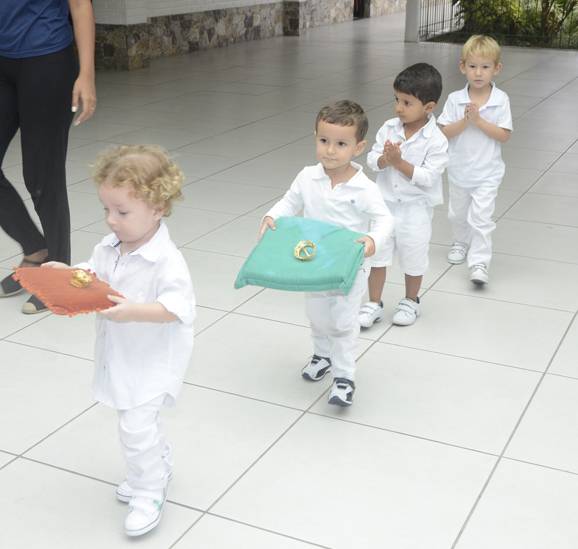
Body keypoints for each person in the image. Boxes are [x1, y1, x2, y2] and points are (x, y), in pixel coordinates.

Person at [44, 145, 195, 537]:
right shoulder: (108, 246)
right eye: (106, 209)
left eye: (122, 212)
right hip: (123, 356)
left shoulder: (167, 261)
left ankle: (150, 489)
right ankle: (157, 461)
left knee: (134, 427)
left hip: (152, 362)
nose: (111, 220)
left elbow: (177, 308)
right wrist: (67, 274)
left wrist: (133, 311)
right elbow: (91, 274)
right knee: (136, 423)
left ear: (158, 208)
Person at [259, 100, 393, 407]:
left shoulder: (364, 188)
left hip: (349, 266)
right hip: (314, 263)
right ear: (315, 138)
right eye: (323, 141)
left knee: (343, 322)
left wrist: (372, 239)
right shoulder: (307, 177)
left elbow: (385, 219)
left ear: (358, 147)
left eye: (341, 144)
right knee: (317, 314)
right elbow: (289, 202)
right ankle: (322, 355)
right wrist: (272, 216)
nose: (330, 150)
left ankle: (344, 377)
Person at [0, 0, 96, 313]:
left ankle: (60, 272)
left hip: (47, 59)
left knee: (42, 177)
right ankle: (35, 249)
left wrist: (86, 75)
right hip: (3, 61)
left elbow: (80, 6)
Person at [359, 63, 448, 329]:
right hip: (384, 206)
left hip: (415, 210)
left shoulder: (437, 140)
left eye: (407, 102)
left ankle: (410, 301)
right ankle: (374, 303)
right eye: (396, 99)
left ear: (429, 107)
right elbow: (372, 160)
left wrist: (399, 163)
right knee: (377, 255)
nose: (399, 107)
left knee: (413, 256)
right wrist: (385, 160)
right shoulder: (389, 128)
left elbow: (429, 177)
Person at [438, 35, 512, 285]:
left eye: (485, 67)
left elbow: (504, 135)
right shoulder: (454, 99)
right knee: (457, 214)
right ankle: (460, 241)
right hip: (459, 170)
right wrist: (465, 120)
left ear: (496, 69)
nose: (478, 73)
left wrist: (478, 121)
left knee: (481, 218)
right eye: (472, 66)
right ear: (462, 67)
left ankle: (479, 263)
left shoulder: (500, 100)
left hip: (488, 173)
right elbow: (444, 132)